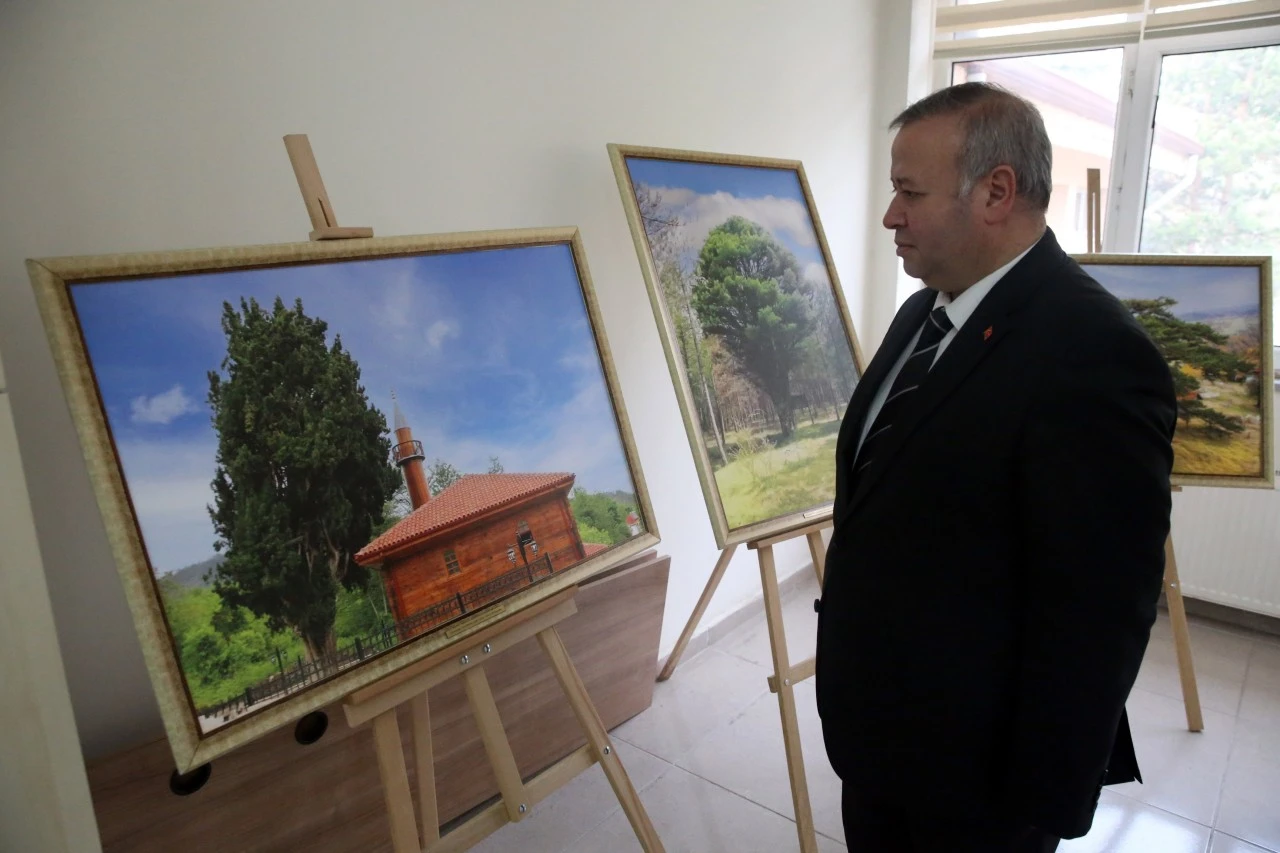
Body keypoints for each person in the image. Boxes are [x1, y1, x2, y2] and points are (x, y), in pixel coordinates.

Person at [814, 82, 1177, 852]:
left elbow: (1099, 610)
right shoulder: (924, 311)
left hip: (976, 786)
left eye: (910, 192)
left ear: (996, 192)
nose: (890, 216)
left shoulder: (1095, 353)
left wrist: (1043, 802)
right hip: (882, 738)